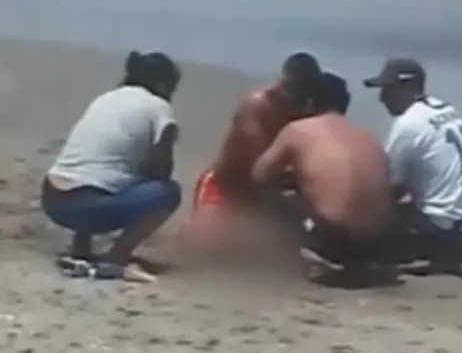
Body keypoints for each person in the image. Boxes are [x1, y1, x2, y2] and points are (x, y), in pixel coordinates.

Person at [40, 51, 182, 278]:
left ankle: (81, 247)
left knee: (98, 171)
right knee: (168, 192)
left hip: (52, 198)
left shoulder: (106, 98)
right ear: (163, 85)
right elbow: (163, 171)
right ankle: (117, 256)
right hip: (86, 208)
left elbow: (94, 161)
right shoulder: (159, 107)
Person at [185, 53, 334, 252]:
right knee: (197, 249)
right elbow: (258, 163)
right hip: (225, 185)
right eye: (288, 85)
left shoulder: (304, 109)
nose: (289, 92)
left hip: (264, 191)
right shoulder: (258, 105)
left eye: (300, 89)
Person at [250, 77, 393, 276]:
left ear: (309, 102)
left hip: (334, 241)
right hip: (374, 241)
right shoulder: (369, 136)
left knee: (273, 194)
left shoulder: (298, 129)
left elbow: (259, 175)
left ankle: (283, 253)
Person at [364, 58, 462, 274]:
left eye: (388, 90)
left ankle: (430, 252)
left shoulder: (408, 124)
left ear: (407, 89)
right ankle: (456, 250)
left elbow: (389, 188)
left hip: (443, 227)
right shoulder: (446, 109)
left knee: (368, 226)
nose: (382, 99)